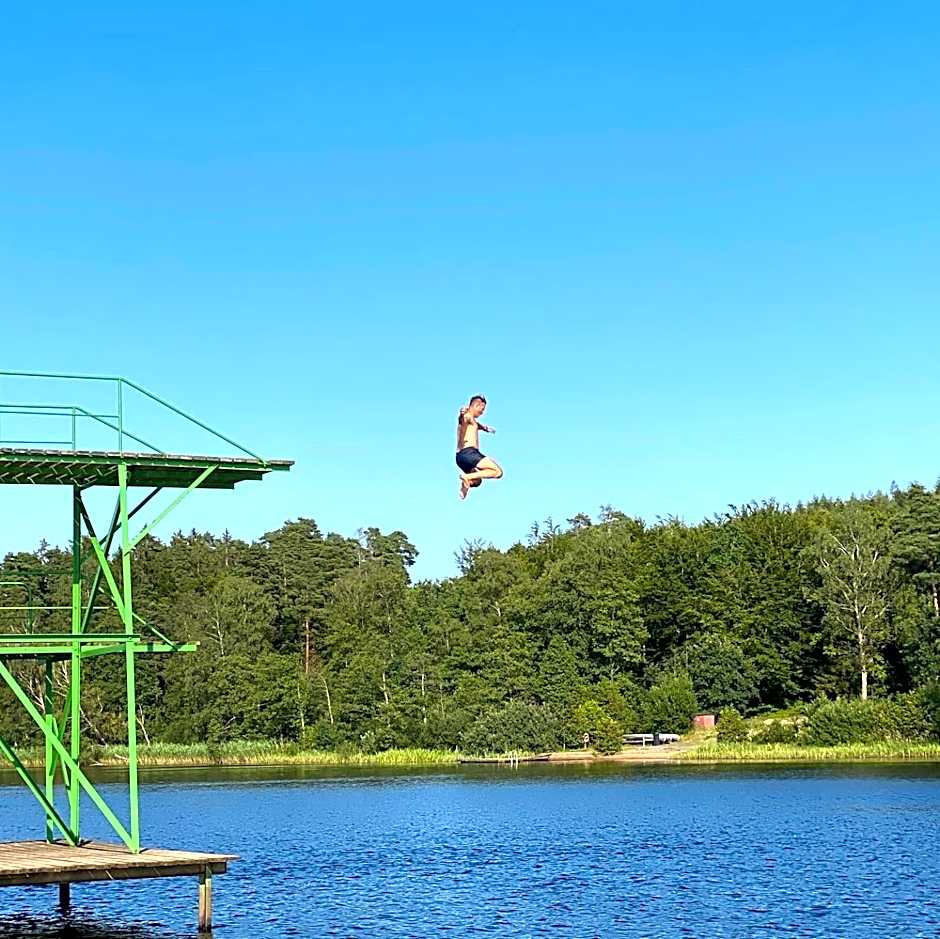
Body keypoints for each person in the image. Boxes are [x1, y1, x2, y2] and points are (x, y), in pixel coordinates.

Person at [456, 395, 503, 500]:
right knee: (497, 472)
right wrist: (461, 412)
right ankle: (466, 477)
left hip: (460, 458)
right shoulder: (467, 416)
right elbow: (462, 418)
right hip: (469, 453)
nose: (482, 413)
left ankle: (465, 485)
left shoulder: (473, 421)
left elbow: (477, 425)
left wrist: (486, 428)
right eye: (482, 410)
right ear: (476, 405)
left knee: (477, 481)